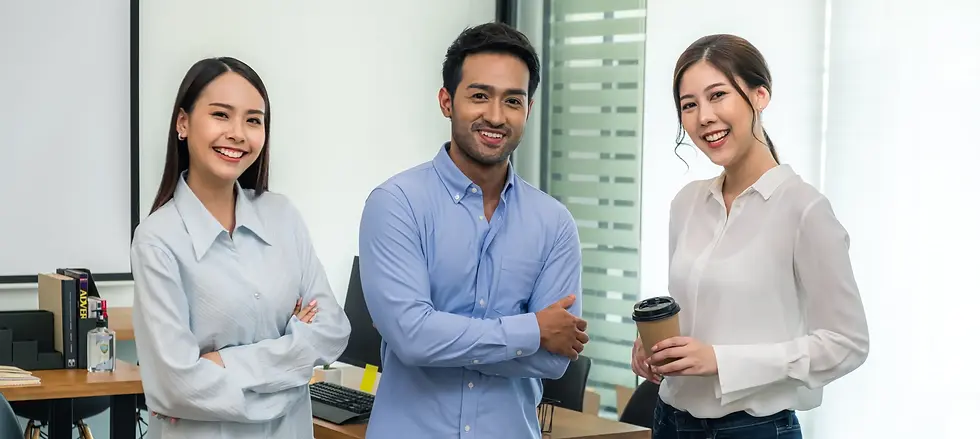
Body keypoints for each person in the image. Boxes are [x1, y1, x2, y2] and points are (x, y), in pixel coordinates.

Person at [630, 34, 870, 439]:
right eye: (689, 105)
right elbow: (705, 312)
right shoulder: (686, 203)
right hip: (669, 421)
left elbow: (847, 344)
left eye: (717, 95)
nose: (703, 116)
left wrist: (722, 361)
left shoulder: (804, 210)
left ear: (760, 95)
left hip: (754, 429)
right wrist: (655, 347)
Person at [357, 22, 589, 439]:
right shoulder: (395, 204)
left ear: (528, 110)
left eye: (512, 100)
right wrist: (532, 331)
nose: (496, 116)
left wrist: (438, 336)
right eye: (479, 95)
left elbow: (555, 360)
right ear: (447, 101)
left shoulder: (554, 224)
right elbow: (411, 339)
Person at [131, 57, 351, 439]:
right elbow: (175, 386)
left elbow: (332, 330)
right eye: (221, 115)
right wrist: (292, 367)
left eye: (253, 120)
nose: (238, 133)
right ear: (183, 123)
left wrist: (221, 364)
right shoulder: (158, 238)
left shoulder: (282, 215)